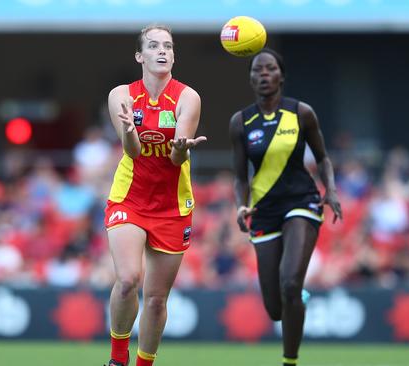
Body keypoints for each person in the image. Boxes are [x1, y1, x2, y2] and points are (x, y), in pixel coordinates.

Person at [229, 48, 342, 366]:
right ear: (250, 79)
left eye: (270, 68)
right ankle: (295, 300)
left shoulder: (301, 113)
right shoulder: (240, 122)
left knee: (290, 282)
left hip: (301, 203)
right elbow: (240, 177)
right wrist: (241, 205)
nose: (263, 74)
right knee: (275, 308)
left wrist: (330, 189)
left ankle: (289, 361)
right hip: (264, 210)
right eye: (257, 70)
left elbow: (322, 158)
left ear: (281, 76)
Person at [103, 24, 206, 366]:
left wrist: (181, 149)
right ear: (140, 56)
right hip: (129, 198)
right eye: (153, 45)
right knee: (129, 279)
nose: (162, 51)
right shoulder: (121, 95)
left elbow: (178, 158)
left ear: (173, 55)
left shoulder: (188, 97)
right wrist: (131, 132)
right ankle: (118, 359)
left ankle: (144, 363)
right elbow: (131, 151)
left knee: (157, 299)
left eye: (168, 46)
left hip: (172, 205)